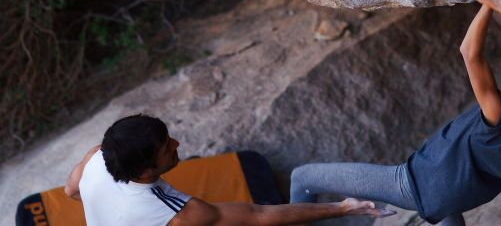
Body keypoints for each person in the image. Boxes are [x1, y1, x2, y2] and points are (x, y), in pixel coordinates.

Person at [290, 3, 501, 225]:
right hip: (452, 200)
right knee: (445, 208)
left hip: (412, 185)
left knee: (302, 179)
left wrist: (490, 2)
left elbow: (470, 52)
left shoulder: (500, 120)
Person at [64, 115, 393, 225]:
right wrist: (344, 207)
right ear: (148, 171)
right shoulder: (176, 214)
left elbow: (71, 191)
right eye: (167, 148)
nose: (177, 143)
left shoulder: (98, 159)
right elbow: (257, 216)